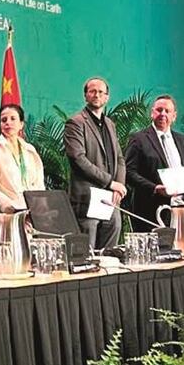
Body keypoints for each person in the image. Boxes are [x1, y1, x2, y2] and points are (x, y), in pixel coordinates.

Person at [64, 76, 126, 250]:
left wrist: (119, 186)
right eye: (92, 91)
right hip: (87, 198)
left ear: (107, 97)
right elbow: (78, 159)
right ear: (85, 96)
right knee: (87, 253)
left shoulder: (110, 124)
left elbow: (120, 158)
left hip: (111, 198)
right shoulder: (75, 122)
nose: (96, 95)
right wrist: (110, 182)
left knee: (110, 252)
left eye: (100, 92)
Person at [125, 94, 184, 231]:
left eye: (167, 111)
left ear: (174, 116)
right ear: (152, 113)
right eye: (159, 110)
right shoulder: (138, 139)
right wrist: (154, 188)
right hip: (150, 210)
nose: (163, 114)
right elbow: (129, 172)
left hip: (182, 210)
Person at [0, 103, 45, 212]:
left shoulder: (30, 150)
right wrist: (10, 206)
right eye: (4, 120)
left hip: (33, 210)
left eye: (13, 119)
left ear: (21, 124)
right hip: (7, 212)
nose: (8, 123)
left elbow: (39, 184)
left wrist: (38, 205)